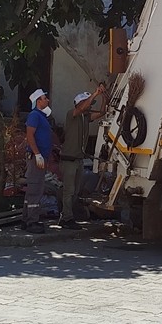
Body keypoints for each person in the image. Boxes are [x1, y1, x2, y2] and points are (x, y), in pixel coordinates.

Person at [58, 83, 107, 229]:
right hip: (69, 160)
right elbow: (81, 109)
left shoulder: (86, 118)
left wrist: (103, 97)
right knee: (69, 190)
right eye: (88, 102)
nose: (91, 105)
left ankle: (67, 215)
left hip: (78, 160)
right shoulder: (71, 114)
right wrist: (95, 93)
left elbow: (102, 112)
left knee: (75, 191)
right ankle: (66, 217)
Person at [23, 89, 54, 234]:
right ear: (38, 101)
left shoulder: (41, 116)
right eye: (44, 98)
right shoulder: (34, 116)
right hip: (37, 158)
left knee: (33, 190)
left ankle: (27, 219)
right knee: (35, 190)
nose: (47, 100)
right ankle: (32, 222)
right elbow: (30, 136)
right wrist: (37, 154)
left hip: (40, 157)